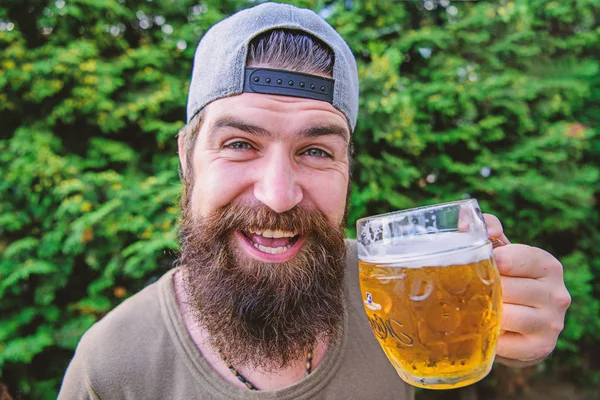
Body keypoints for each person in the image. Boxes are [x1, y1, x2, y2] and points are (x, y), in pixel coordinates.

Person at [58, 3, 571, 399]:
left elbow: (481, 337)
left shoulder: (395, 289)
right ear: (187, 159)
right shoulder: (109, 370)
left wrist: (518, 325)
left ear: (348, 166)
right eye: (240, 144)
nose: (278, 194)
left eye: (316, 150)